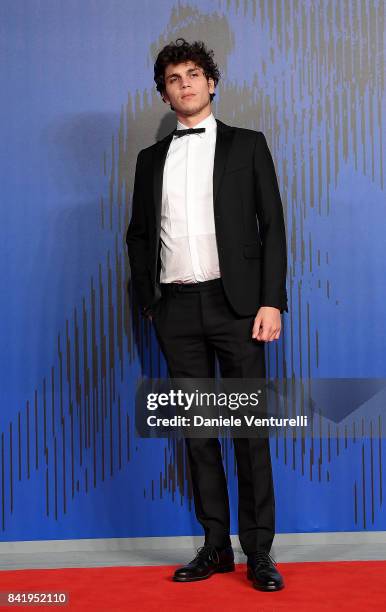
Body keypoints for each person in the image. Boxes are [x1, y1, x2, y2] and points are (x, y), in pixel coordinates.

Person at [126, 38, 288, 592]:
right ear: (165, 92)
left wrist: (272, 300)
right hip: (176, 309)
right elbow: (140, 236)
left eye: (194, 74)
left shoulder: (248, 146)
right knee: (198, 434)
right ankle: (215, 547)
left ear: (211, 82)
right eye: (174, 78)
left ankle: (259, 553)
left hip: (238, 307)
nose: (185, 84)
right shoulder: (151, 161)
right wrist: (152, 301)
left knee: (248, 433)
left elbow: (274, 228)